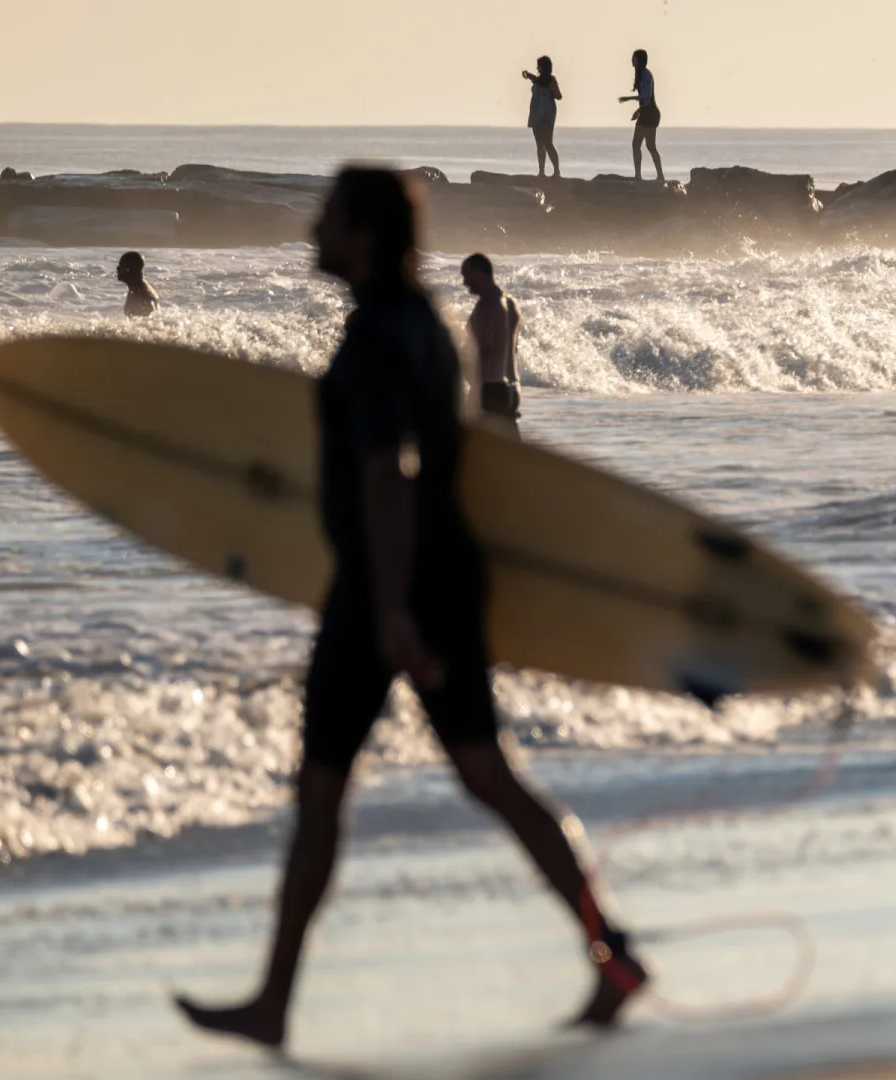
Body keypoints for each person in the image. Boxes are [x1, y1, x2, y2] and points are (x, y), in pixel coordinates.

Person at [173, 167, 646, 1051]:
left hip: (387, 595)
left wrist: (389, 610)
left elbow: (390, 476)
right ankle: (612, 955)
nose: (313, 230)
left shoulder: (380, 335)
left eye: (328, 217)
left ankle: (275, 1001)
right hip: (435, 583)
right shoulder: (422, 324)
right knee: (482, 776)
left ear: (364, 234)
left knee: (328, 792)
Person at [462, 253, 522, 440]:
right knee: (511, 454)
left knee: (479, 453)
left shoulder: (487, 306)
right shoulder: (512, 304)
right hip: (512, 389)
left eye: (466, 276)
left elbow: (481, 349)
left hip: (490, 390)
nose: (465, 283)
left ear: (479, 274)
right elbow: (513, 349)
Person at [617, 49, 663, 182]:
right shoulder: (640, 74)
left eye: (634, 57)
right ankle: (653, 175)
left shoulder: (646, 74)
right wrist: (639, 110)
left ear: (639, 60)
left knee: (638, 144)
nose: (631, 60)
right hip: (647, 112)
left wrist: (629, 98)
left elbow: (647, 96)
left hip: (651, 113)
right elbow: (644, 100)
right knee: (648, 146)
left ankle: (644, 176)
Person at [521, 56, 562, 179]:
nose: (537, 68)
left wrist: (550, 90)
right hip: (536, 114)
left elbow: (558, 96)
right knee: (539, 144)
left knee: (548, 143)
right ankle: (541, 172)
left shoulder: (550, 81)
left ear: (543, 67)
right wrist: (528, 75)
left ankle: (556, 172)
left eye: (538, 66)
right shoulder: (538, 80)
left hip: (546, 115)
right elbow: (535, 79)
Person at [117, 251, 158, 318]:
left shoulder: (141, 294)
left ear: (129, 269)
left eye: (121, 265)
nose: (117, 268)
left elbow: (146, 324)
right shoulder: (137, 288)